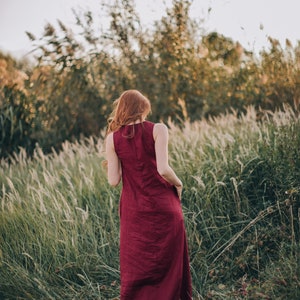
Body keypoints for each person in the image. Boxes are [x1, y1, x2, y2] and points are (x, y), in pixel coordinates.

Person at [104, 89, 192, 299]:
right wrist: (178, 184)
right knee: (169, 262)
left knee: (138, 264)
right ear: (142, 108)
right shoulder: (158, 129)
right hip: (163, 204)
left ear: (122, 110)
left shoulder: (112, 139)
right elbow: (163, 169)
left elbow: (113, 181)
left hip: (134, 210)